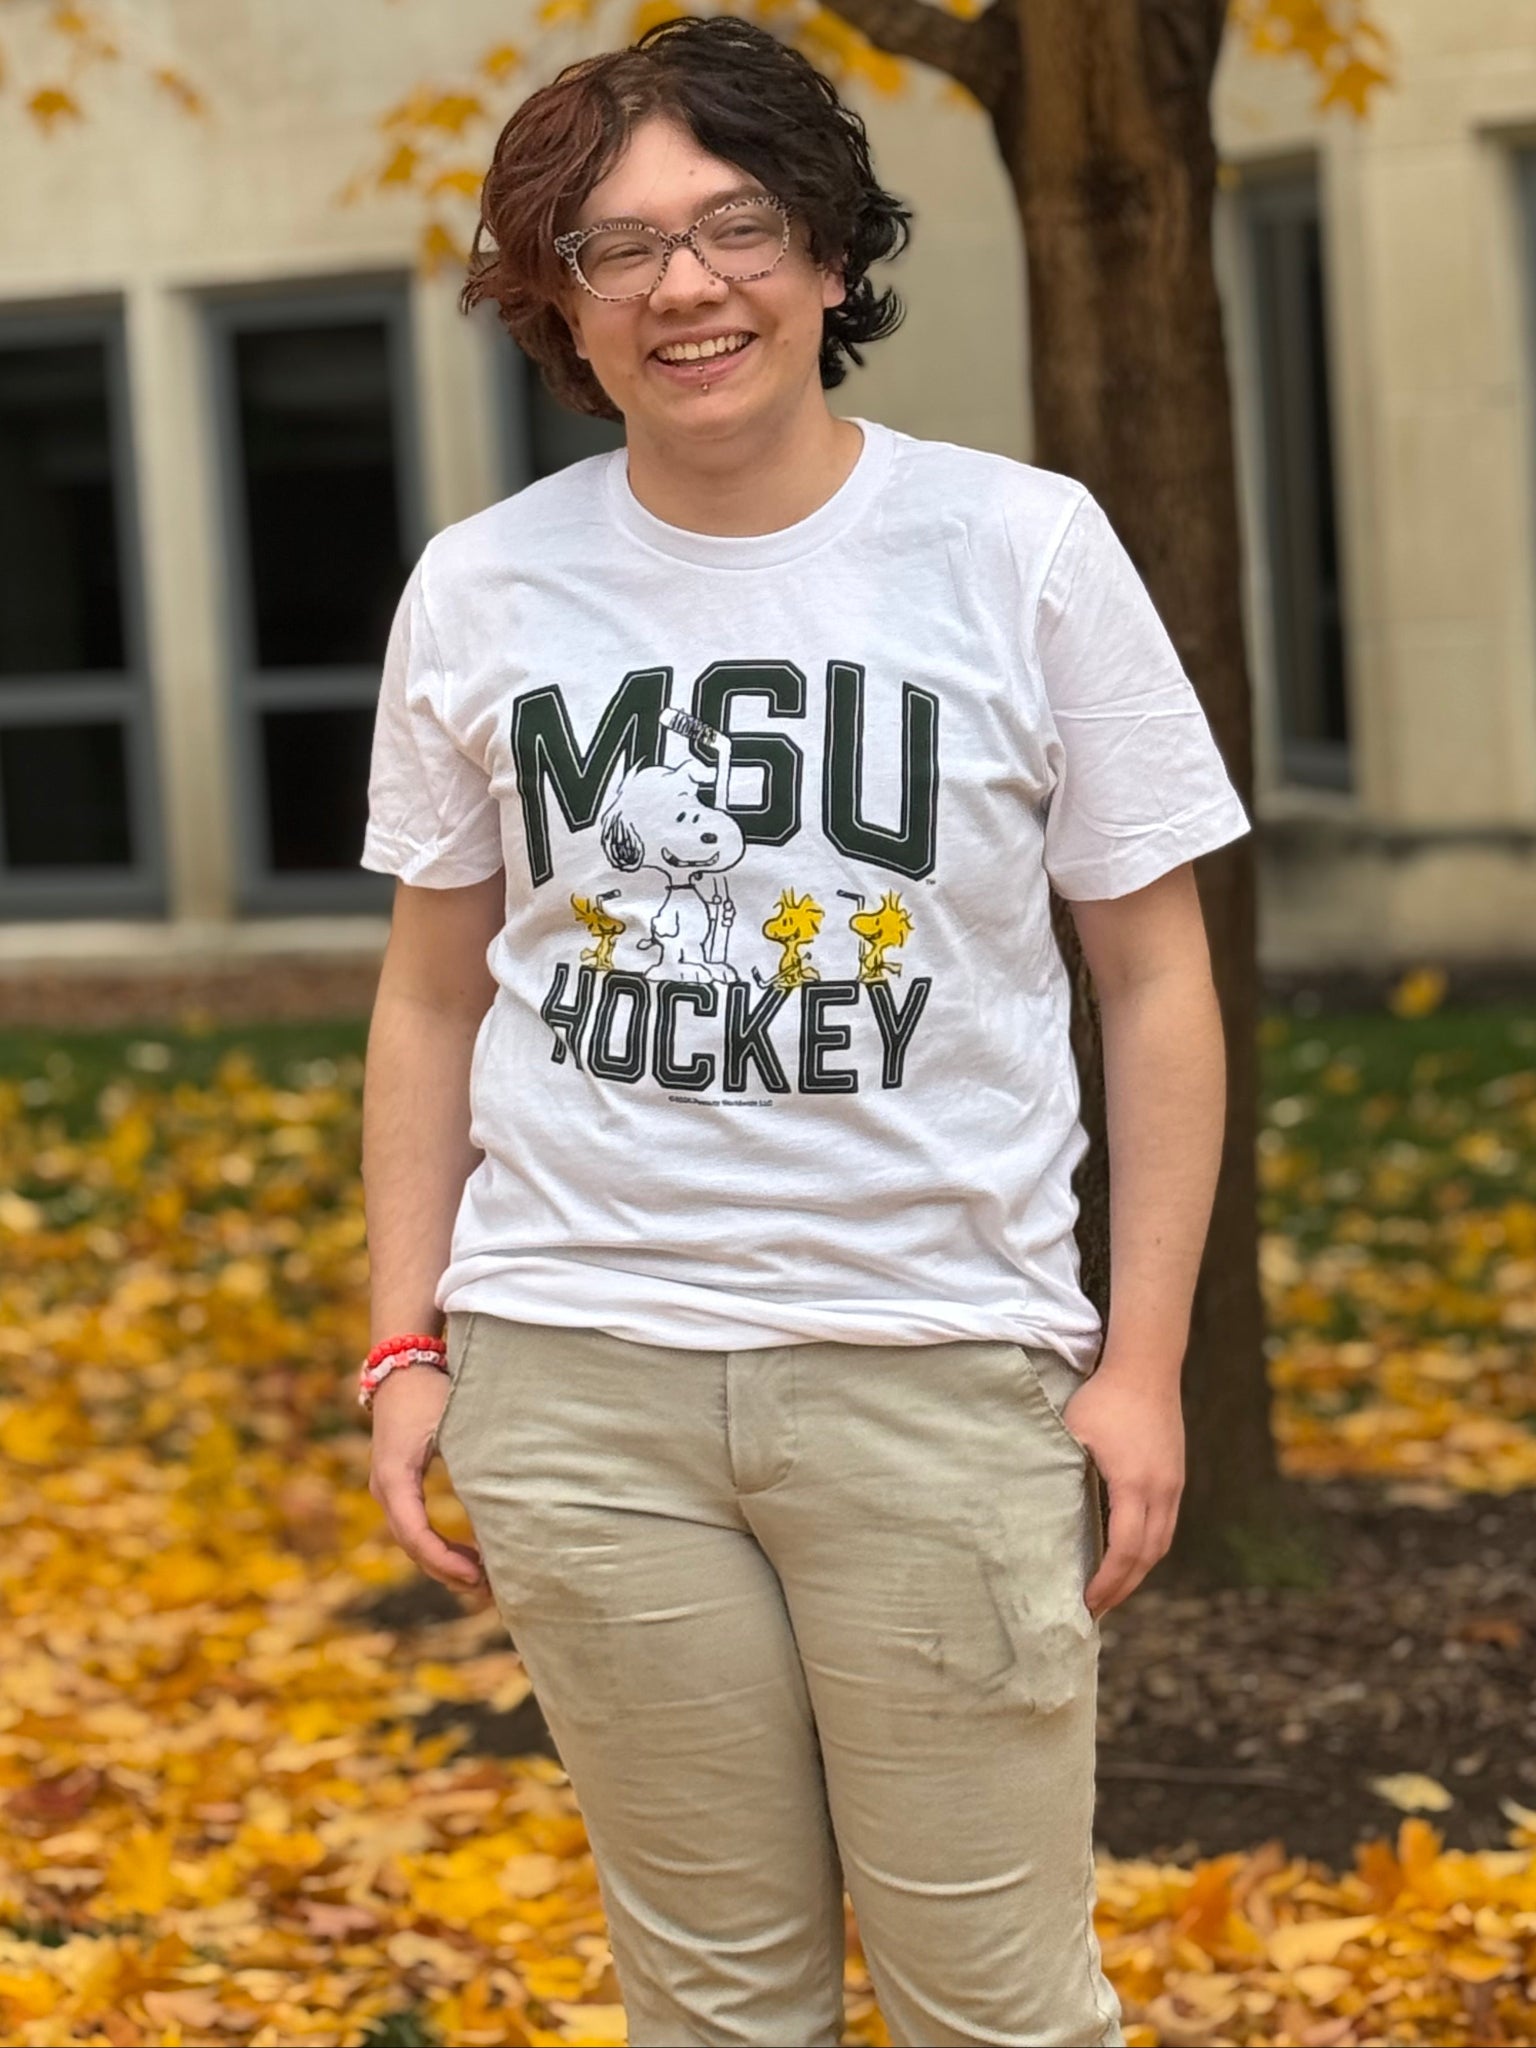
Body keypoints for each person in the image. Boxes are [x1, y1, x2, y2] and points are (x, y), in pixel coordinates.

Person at [359, 15, 1250, 2046]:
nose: (685, 284)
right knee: (711, 1996)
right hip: (581, 1384)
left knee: (993, 2000)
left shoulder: (1019, 550)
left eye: (737, 225)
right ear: (557, 304)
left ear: (832, 257)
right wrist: (408, 1339)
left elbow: (1158, 975)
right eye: (614, 247)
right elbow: (426, 995)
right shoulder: (482, 587)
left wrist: (1144, 1361)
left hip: (934, 1370)